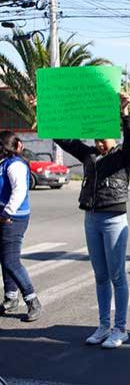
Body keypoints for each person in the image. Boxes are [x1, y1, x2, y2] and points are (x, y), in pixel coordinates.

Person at [54, 93, 130, 348]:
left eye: (104, 138)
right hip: (91, 219)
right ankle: (103, 326)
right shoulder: (89, 155)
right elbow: (66, 141)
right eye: (97, 139)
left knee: (117, 276)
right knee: (100, 276)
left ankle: (120, 328)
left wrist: (124, 112)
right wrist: (46, 114)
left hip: (114, 220)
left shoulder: (123, 157)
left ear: (113, 136)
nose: (100, 143)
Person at [0, 132, 41, 322]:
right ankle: (10, 297)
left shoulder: (15, 164)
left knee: (11, 261)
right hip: (4, 216)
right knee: (4, 258)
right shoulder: (4, 163)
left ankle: (32, 300)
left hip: (13, 218)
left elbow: (19, 191)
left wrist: (7, 213)